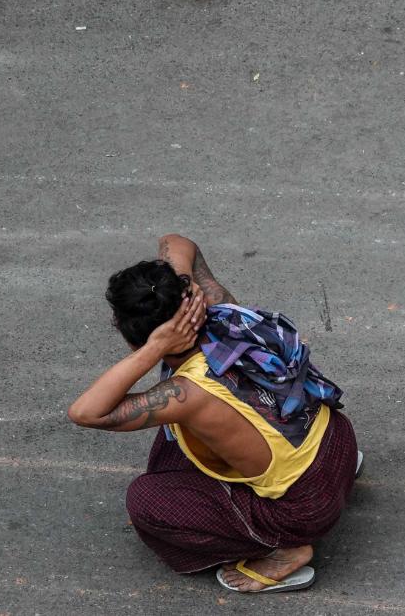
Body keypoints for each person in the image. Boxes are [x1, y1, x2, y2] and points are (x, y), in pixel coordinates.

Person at [68, 234, 359, 594]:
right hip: (338, 442)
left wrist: (154, 349)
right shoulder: (225, 313)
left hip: (308, 508)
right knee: (174, 442)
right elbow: (176, 241)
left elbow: (86, 412)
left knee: (147, 499)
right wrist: (185, 287)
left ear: (136, 339)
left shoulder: (188, 394)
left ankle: (287, 551)